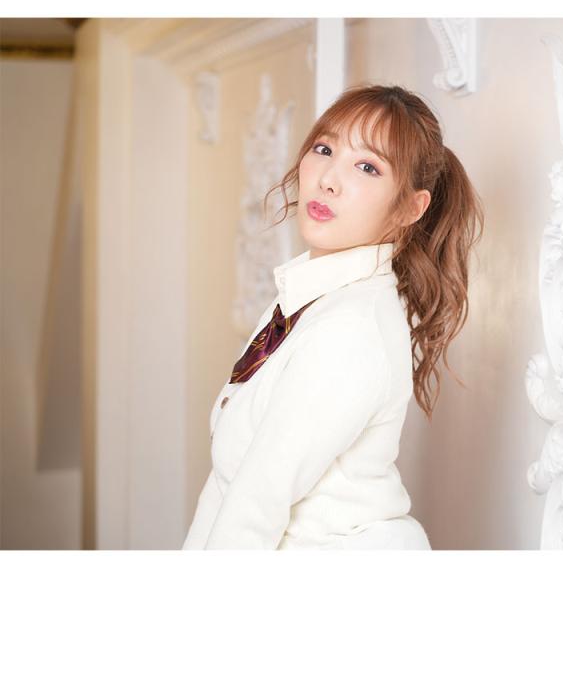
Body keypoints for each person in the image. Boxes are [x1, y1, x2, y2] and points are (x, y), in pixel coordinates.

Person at [182, 84, 484, 549]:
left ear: (411, 207)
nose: (328, 179)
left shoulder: (351, 328)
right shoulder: (307, 299)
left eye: (367, 167)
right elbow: (229, 489)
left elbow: (255, 506)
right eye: (324, 149)